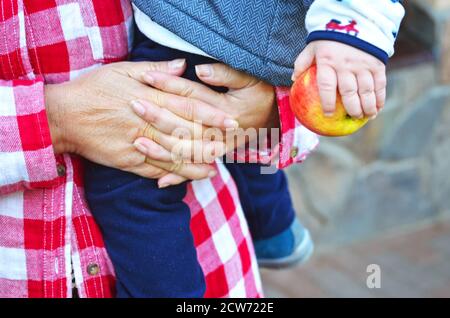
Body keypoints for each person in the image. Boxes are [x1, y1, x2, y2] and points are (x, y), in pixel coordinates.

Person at [83, 0, 405, 297]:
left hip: (205, 31)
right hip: (223, 28)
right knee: (227, 131)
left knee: (130, 178)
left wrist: (352, 31)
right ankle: (273, 225)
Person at [0, 0, 310, 298]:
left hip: (215, 251)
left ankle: (275, 223)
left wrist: (272, 109)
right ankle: (275, 225)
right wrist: (54, 119)